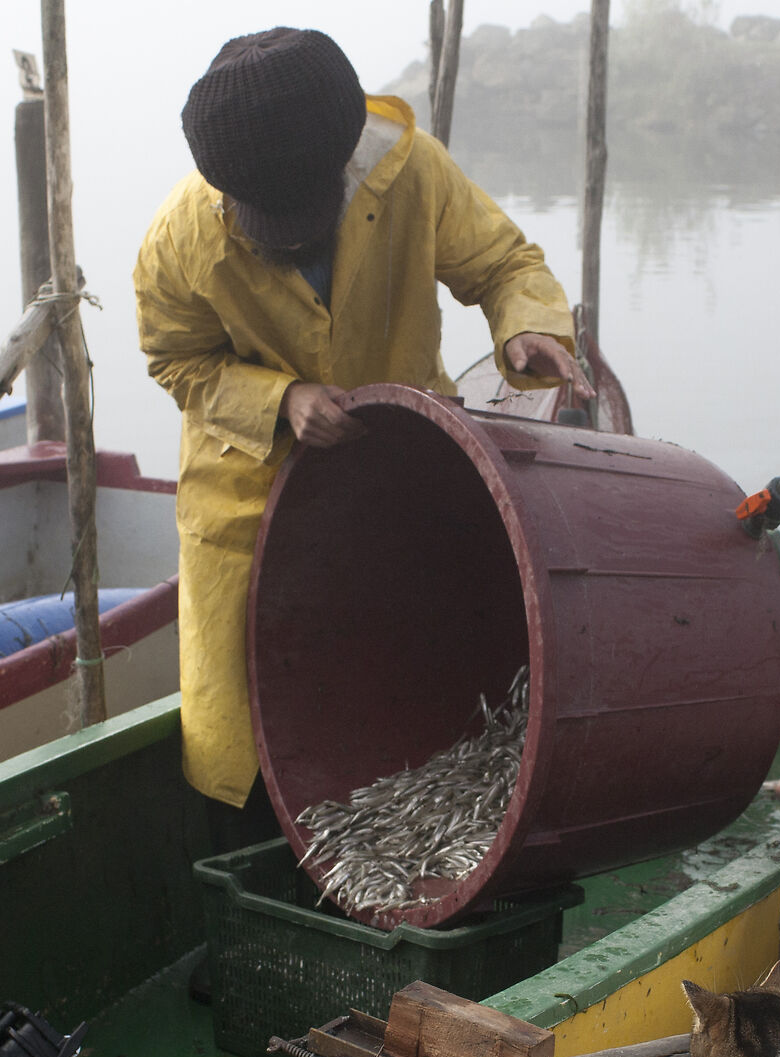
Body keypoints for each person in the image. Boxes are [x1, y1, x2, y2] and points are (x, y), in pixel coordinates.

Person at [134, 26, 590, 810]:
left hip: (402, 466)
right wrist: (282, 401)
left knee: (421, 670)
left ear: (343, 156)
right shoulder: (179, 239)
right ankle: (261, 850)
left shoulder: (412, 173)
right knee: (244, 727)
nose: (291, 234)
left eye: (306, 211)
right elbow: (179, 364)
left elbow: (504, 264)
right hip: (246, 490)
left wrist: (525, 324)